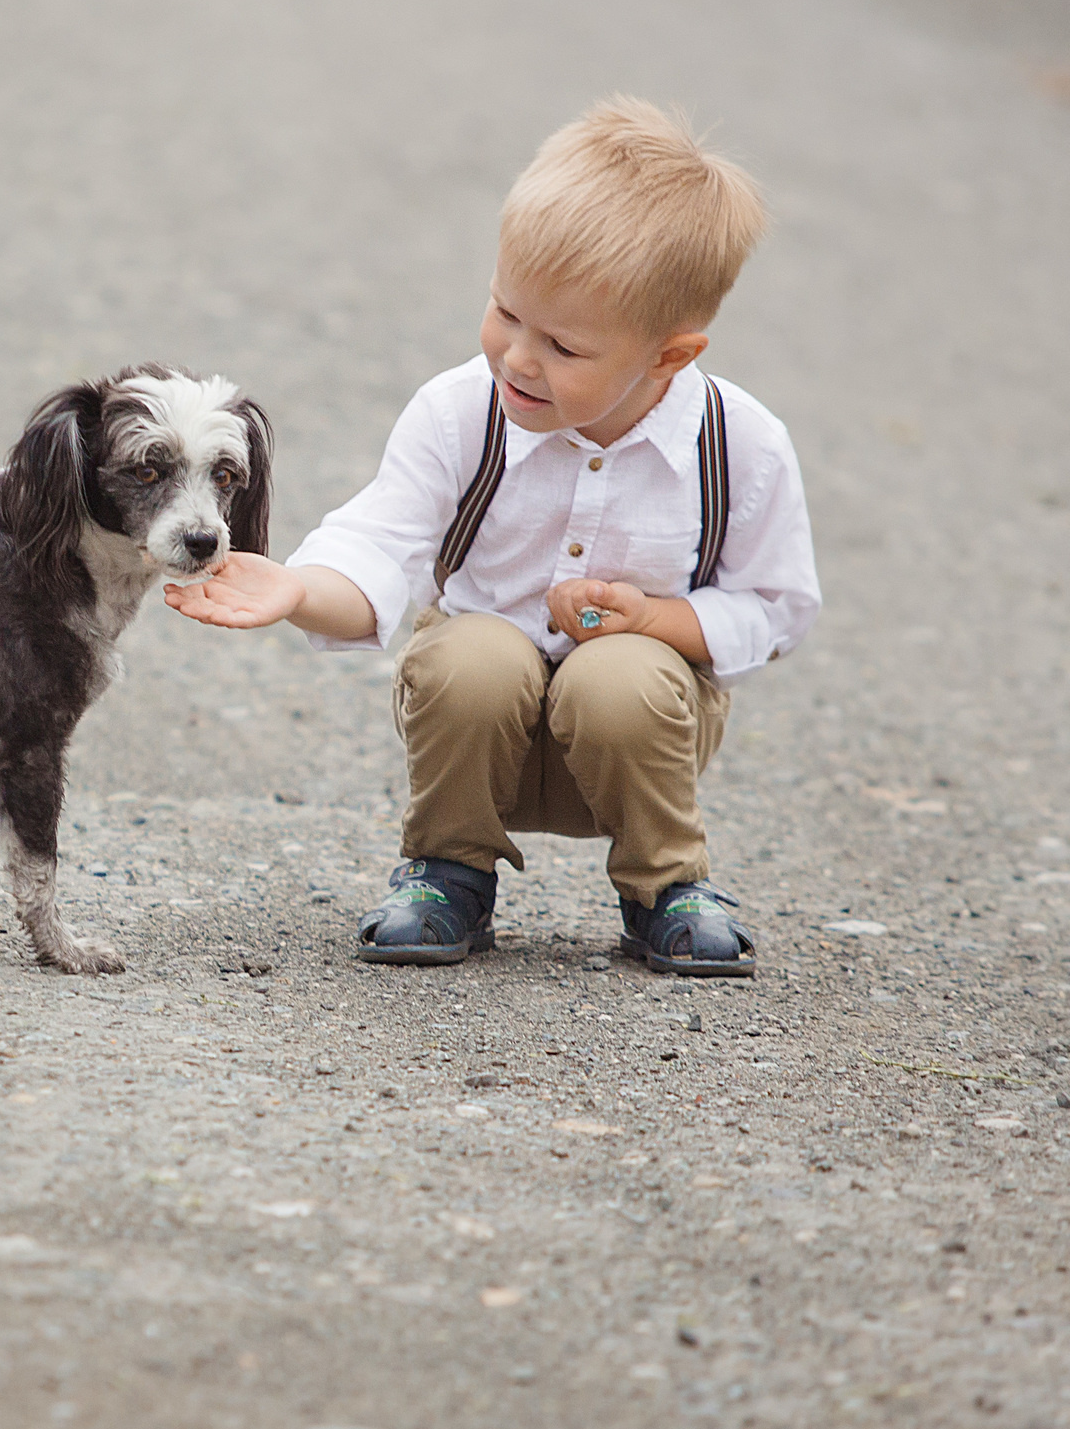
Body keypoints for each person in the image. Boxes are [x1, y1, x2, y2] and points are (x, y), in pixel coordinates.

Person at [167, 97, 820, 976]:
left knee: (619, 675)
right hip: (478, 727)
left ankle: (665, 884)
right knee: (469, 652)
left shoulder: (739, 445)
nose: (517, 356)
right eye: (505, 312)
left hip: (637, 735)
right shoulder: (459, 412)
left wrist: (652, 619)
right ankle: (448, 868)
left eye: (563, 345)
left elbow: (775, 606)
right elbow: (378, 542)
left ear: (669, 355)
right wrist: (297, 589)